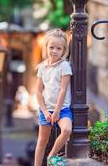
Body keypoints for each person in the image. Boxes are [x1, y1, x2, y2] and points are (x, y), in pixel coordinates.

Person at [34, 29, 73, 166]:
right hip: (45, 110)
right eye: (51, 47)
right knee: (42, 141)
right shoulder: (42, 68)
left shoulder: (64, 66)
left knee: (67, 130)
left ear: (64, 50)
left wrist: (56, 112)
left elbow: (63, 90)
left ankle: (51, 156)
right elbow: (38, 92)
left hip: (61, 110)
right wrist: (45, 112)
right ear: (46, 48)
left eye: (58, 48)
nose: (54, 51)